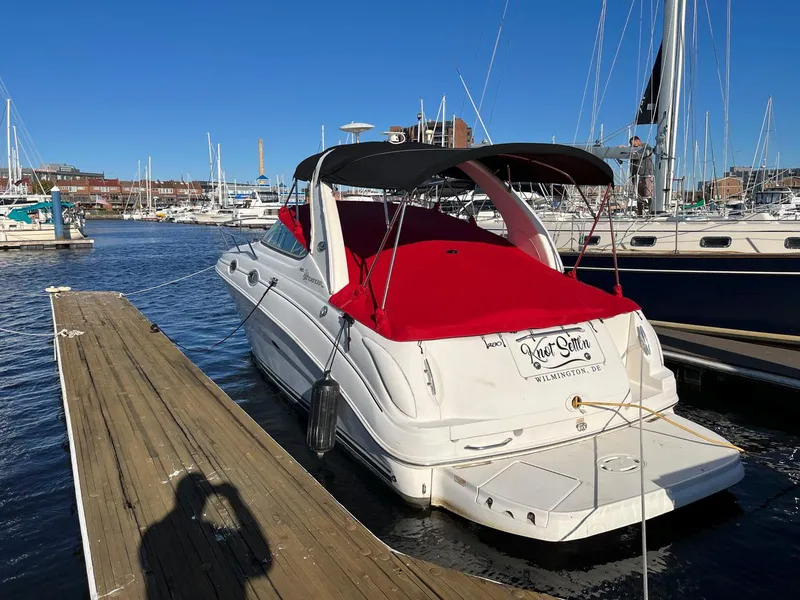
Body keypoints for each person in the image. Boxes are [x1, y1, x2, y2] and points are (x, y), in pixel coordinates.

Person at [629, 136, 654, 216]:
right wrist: (623, 148)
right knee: (638, 197)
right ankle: (639, 214)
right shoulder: (631, 150)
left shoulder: (646, 146)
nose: (634, 147)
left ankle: (651, 212)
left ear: (638, 141)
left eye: (635, 145)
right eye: (632, 145)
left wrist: (635, 150)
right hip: (636, 176)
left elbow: (648, 152)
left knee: (649, 195)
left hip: (646, 175)